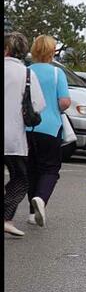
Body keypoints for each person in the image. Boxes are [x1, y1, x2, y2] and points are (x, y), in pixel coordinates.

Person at [25, 35, 70, 227]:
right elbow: (65, 102)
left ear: (34, 50)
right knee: (50, 168)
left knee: (31, 169)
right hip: (50, 127)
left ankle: (30, 211)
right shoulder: (57, 74)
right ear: (52, 52)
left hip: (27, 127)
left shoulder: (26, 71)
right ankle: (41, 199)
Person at [4, 32, 46, 236]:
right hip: (12, 136)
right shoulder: (26, 74)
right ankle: (6, 217)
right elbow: (39, 105)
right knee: (20, 179)